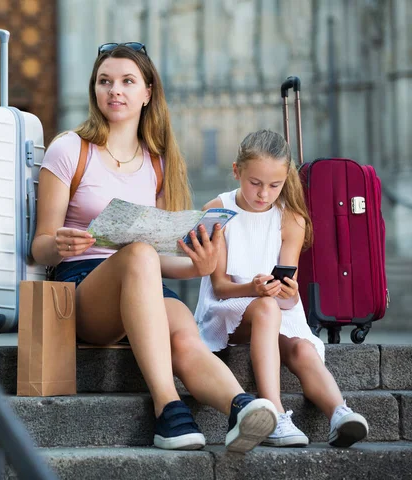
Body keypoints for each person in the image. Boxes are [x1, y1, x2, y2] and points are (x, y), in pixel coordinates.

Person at [31, 42, 277, 452]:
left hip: (142, 285)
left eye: (127, 81)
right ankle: (168, 409)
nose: (115, 91)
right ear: (94, 90)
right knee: (140, 254)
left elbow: (162, 258)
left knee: (182, 331)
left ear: (147, 92)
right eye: (105, 81)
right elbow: (40, 247)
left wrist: (199, 266)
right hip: (81, 291)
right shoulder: (69, 149)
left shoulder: (158, 161)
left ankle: (241, 408)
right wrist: (59, 245)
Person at [194, 129, 369, 448]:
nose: (264, 194)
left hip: (275, 308)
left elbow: (290, 291)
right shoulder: (217, 210)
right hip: (228, 312)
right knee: (265, 308)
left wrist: (285, 290)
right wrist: (253, 288)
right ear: (237, 171)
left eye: (274, 185)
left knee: (302, 347)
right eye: (255, 183)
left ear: (284, 179)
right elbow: (218, 287)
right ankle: (274, 411)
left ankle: (339, 413)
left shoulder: (291, 218)